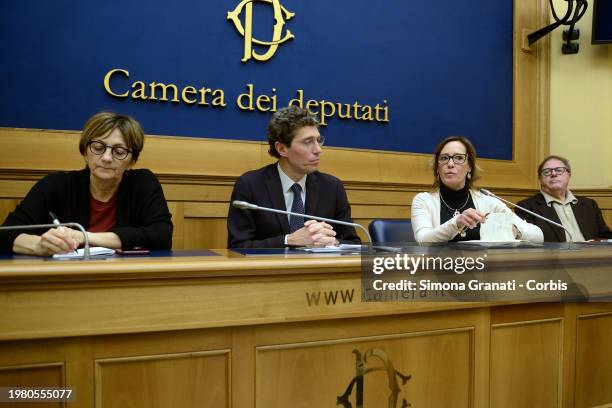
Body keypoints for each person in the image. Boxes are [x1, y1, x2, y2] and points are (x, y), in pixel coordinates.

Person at [0, 112, 173, 255]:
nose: (106, 158)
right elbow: (4, 234)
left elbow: (161, 236)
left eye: (119, 152)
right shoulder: (56, 185)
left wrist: (85, 237)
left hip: (124, 279)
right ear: (85, 151)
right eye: (98, 148)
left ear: (131, 161)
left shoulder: (142, 183)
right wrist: (39, 245)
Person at [227, 106, 360, 248]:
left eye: (318, 140)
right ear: (282, 149)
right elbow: (237, 246)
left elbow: (353, 243)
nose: (318, 150)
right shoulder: (250, 185)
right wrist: (288, 240)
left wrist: (332, 243)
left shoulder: (332, 187)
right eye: (308, 142)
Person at [411, 136, 543, 243]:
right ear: (437, 169)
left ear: (469, 167)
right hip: (439, 270)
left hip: (483, 271)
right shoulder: (423, 200)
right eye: (444, 158)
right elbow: (424, 240)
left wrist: (515, 231)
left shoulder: (488, 202)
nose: (450, 164)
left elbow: (538, 235)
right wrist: (456, 223)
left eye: (458, 158)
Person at [515, 155, 612, 242]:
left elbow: (605, 236)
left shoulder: (589, 204)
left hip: (593, 258)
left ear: (569, 175)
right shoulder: (526, 207)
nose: (553, 174)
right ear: (540, 179)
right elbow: (529, 244)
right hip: (554, 261)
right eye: (547, 172)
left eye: (559, 170)